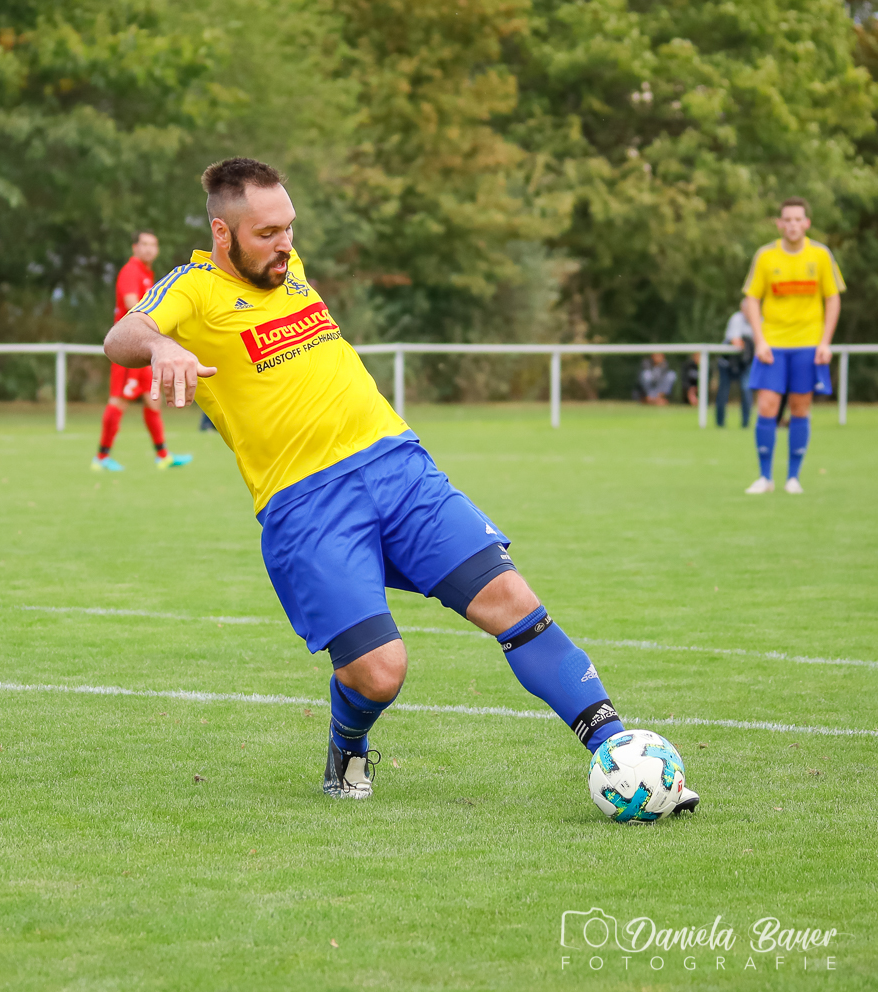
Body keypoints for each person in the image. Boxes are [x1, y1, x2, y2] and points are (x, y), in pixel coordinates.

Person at [104, 157, 699, 811]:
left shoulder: (288, 269)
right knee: (380, 672)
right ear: (223, 233)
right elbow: (122, 334)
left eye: (290, 227)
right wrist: (162, 346)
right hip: (308, 505)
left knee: (513, 602)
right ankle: (348, 745)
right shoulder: (193, 288)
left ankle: (623, 756)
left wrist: (276, 251)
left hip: (398, 468)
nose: (285, 245)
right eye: (267, 233)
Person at [741, 197, 842, 495]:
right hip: (773, 343)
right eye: (787, 219)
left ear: (806, 223)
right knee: (767, 405)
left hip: (808, 343)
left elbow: (833, 298)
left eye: (798, 219)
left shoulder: (820, 255)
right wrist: (759, 340)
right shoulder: (765, 256)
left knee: (800, 407)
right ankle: (765, 477)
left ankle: (793, 478)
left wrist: (825, 342)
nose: (793, 225)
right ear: (779, 224)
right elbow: (751, 298)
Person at [92, 231, 192, 472]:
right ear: (134, 247)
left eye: (153, 245)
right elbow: (133, 306)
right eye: (144, 244)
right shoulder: (131, 271)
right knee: (118, 400)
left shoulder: (147, 273)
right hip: (129, 348)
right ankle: (101, 457)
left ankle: (163, 456)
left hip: (143, 350)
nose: (149, 249)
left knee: (152, 399)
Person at [716, 310, 755, 428]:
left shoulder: (758, 319)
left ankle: (745, 424)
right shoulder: (737, 319)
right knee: (723, 391)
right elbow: (736, 342)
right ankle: (720, 423)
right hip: (727, 362)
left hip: (744, 362)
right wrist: (749, 343)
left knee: (746, 389)